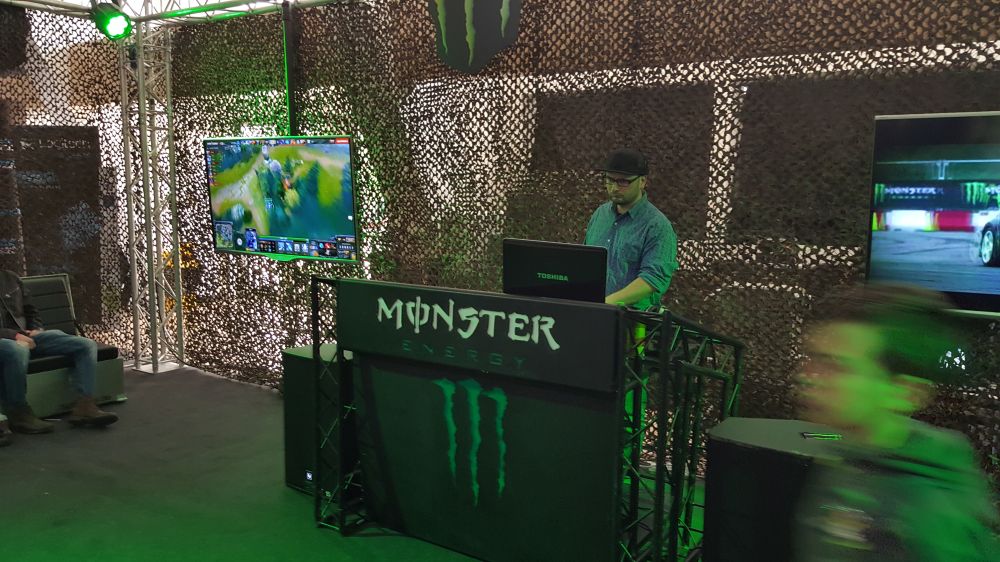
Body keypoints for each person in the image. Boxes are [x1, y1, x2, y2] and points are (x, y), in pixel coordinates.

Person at [795, 283, 998, 560]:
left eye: (836, 366)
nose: (807, 377)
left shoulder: (932, 514)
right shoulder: (850, 456)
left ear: (904, 392)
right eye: (813, 359)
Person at [0, 269, 118, 442]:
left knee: (85, 345)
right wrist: (15, 335)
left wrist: (36, 329)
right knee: (18, 350)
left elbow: (30, 310)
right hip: (7, 340)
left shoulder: (11, 278)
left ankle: (85, 405)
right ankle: (18, 412)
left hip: (26, 336)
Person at [584, 148, 678, 310]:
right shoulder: (600, 214)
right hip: (594, 312)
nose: (614, 188)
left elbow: (652, 279)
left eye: (623, 182)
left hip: (633, 319)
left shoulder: (658, 226)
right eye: (610, 180)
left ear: (642, 181)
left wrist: (606, 303)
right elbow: (586, 261)